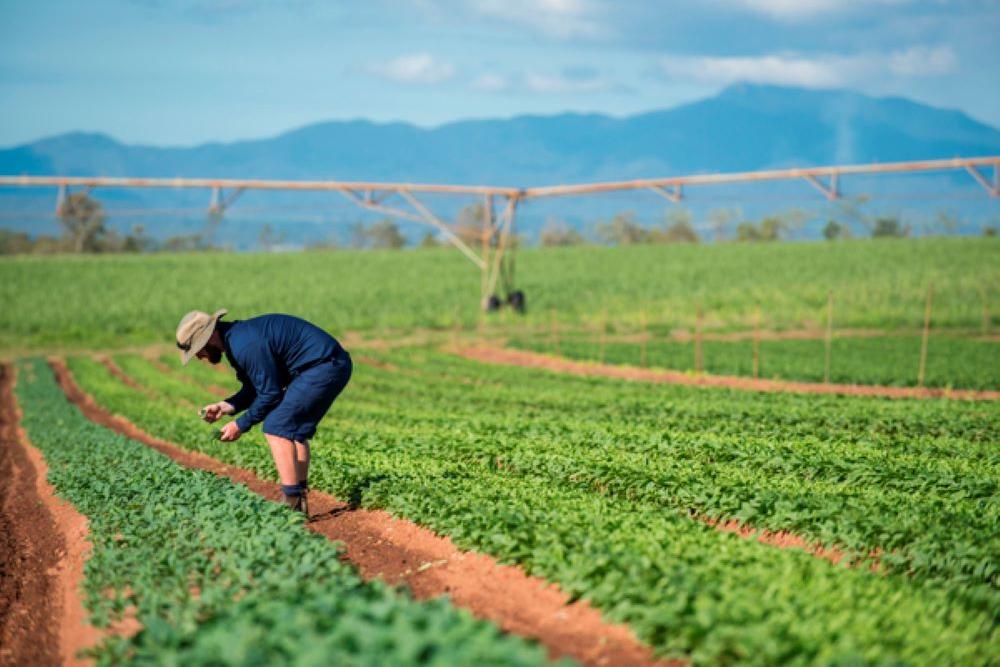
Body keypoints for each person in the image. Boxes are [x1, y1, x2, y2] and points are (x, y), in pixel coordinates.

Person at [175, 309, 352, 516]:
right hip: (321, 366)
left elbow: (270, 393)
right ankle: (299, 498)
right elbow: (254, 389)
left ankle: (291, 501)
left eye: (198, 349)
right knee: (293, 432)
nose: (199, 356)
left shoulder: (244, 345)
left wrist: (240, 425)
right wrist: (225, 406)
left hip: (323, 366)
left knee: (277, 427)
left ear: (210, 335)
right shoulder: (236, 340)